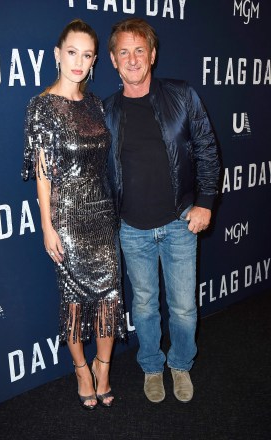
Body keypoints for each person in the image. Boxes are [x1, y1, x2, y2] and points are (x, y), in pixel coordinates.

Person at [104, 18, 220, 404]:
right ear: (112, 59)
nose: (132, 58)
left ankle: (181, 364)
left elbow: (206, 148)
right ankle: (152, 365)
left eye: (140, 50)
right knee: (144, 305)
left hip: (178, 224)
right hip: (131, 229)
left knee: (184, 307)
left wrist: (205, 202)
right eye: (124, 51)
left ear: (152, 55)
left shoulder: (182, 95)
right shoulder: (106, 112)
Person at [22, 19, 126, 410]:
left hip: (101, 215)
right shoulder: (42, 107)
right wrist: (48, 227)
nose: (78, 62)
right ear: (57, 55)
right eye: (72, 53)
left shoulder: (96, 103)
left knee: (110, 296)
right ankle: (81, 369)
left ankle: (103, 367)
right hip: (66, 218)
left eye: (86, 55)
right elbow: (42, 176)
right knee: (74, 300)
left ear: (95, 60)